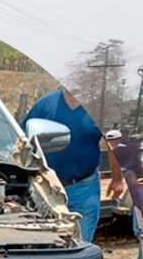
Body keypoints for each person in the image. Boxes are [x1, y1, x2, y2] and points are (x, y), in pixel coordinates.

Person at [21, 87, 124, 242]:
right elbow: (22, 139)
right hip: (47, 189)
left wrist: (117, 179)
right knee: (48, 244)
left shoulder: (99, 107)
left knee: (82, 244)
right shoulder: (45, 104)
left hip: (84, 187)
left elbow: (113, 145)